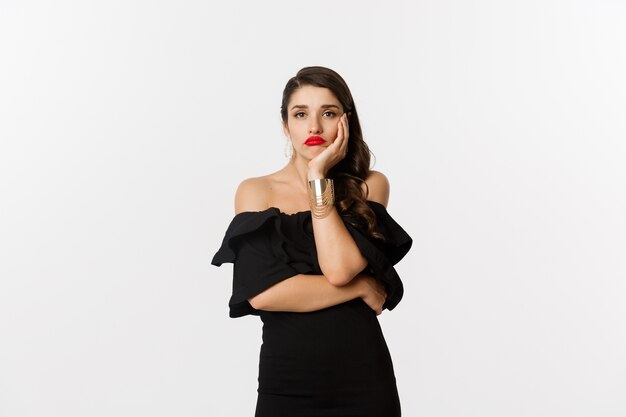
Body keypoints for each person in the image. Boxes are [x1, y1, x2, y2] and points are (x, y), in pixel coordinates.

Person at [212, 66, 412, 417]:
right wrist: (360, 287)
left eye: (329, 113)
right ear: (285, 124)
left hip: (363, 380)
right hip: (287, 382)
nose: (314, 127)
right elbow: (265, 293)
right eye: (301, 114)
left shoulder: (369, 186)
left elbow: (339, 268)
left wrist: (318, 177)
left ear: (346, 121)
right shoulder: (257, 191)